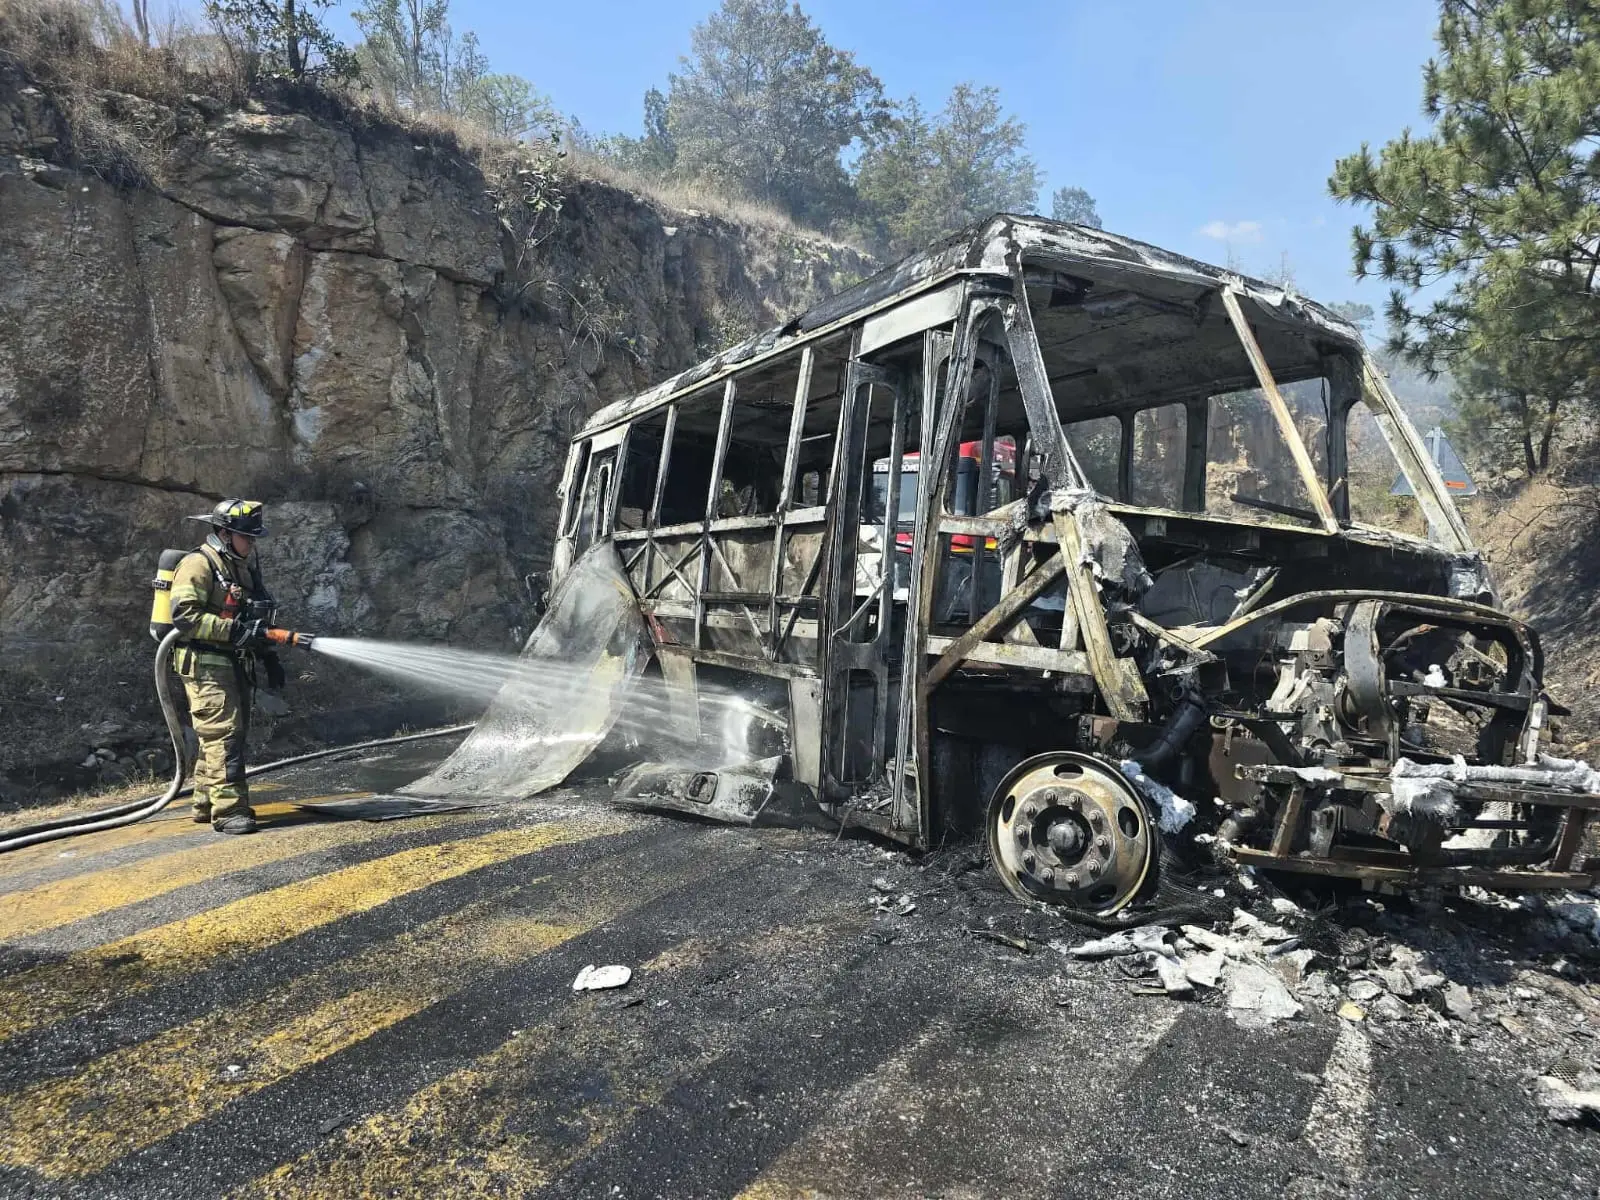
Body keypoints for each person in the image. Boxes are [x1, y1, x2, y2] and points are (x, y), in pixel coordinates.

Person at [168, 499, 286, 835]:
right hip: (205, 664)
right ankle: (229, 811)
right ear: (224, 532)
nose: (252, 543)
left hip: (232, 662)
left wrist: (269, 657)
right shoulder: (199, 565)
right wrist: (234, 631)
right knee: (224, 736)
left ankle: (205, 803)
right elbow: (185, 616)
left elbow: (252, 619)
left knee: (218, 736)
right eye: (246, 537)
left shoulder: (238, 566)